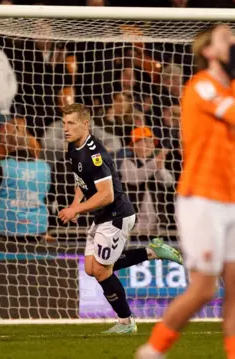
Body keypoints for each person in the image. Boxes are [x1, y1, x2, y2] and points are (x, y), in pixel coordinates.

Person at [136, 25, 235, 359]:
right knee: (203, 289)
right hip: (201, 198)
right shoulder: (200, 87)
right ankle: (151, 351)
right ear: (208, 51)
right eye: (226, 39)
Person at [57, 103, 183, 334]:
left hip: (116, 215)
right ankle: (152, 251)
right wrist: (76, 204)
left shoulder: (94, 154)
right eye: (64, 123)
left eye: (71, 123)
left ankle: (126, 322)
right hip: (102, 216)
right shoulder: (73, 147)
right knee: (90, 268)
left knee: (102, 271)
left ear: (85, 124)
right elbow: (81, 180)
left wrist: (77, 210)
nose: (66, 128)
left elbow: (106, 195)